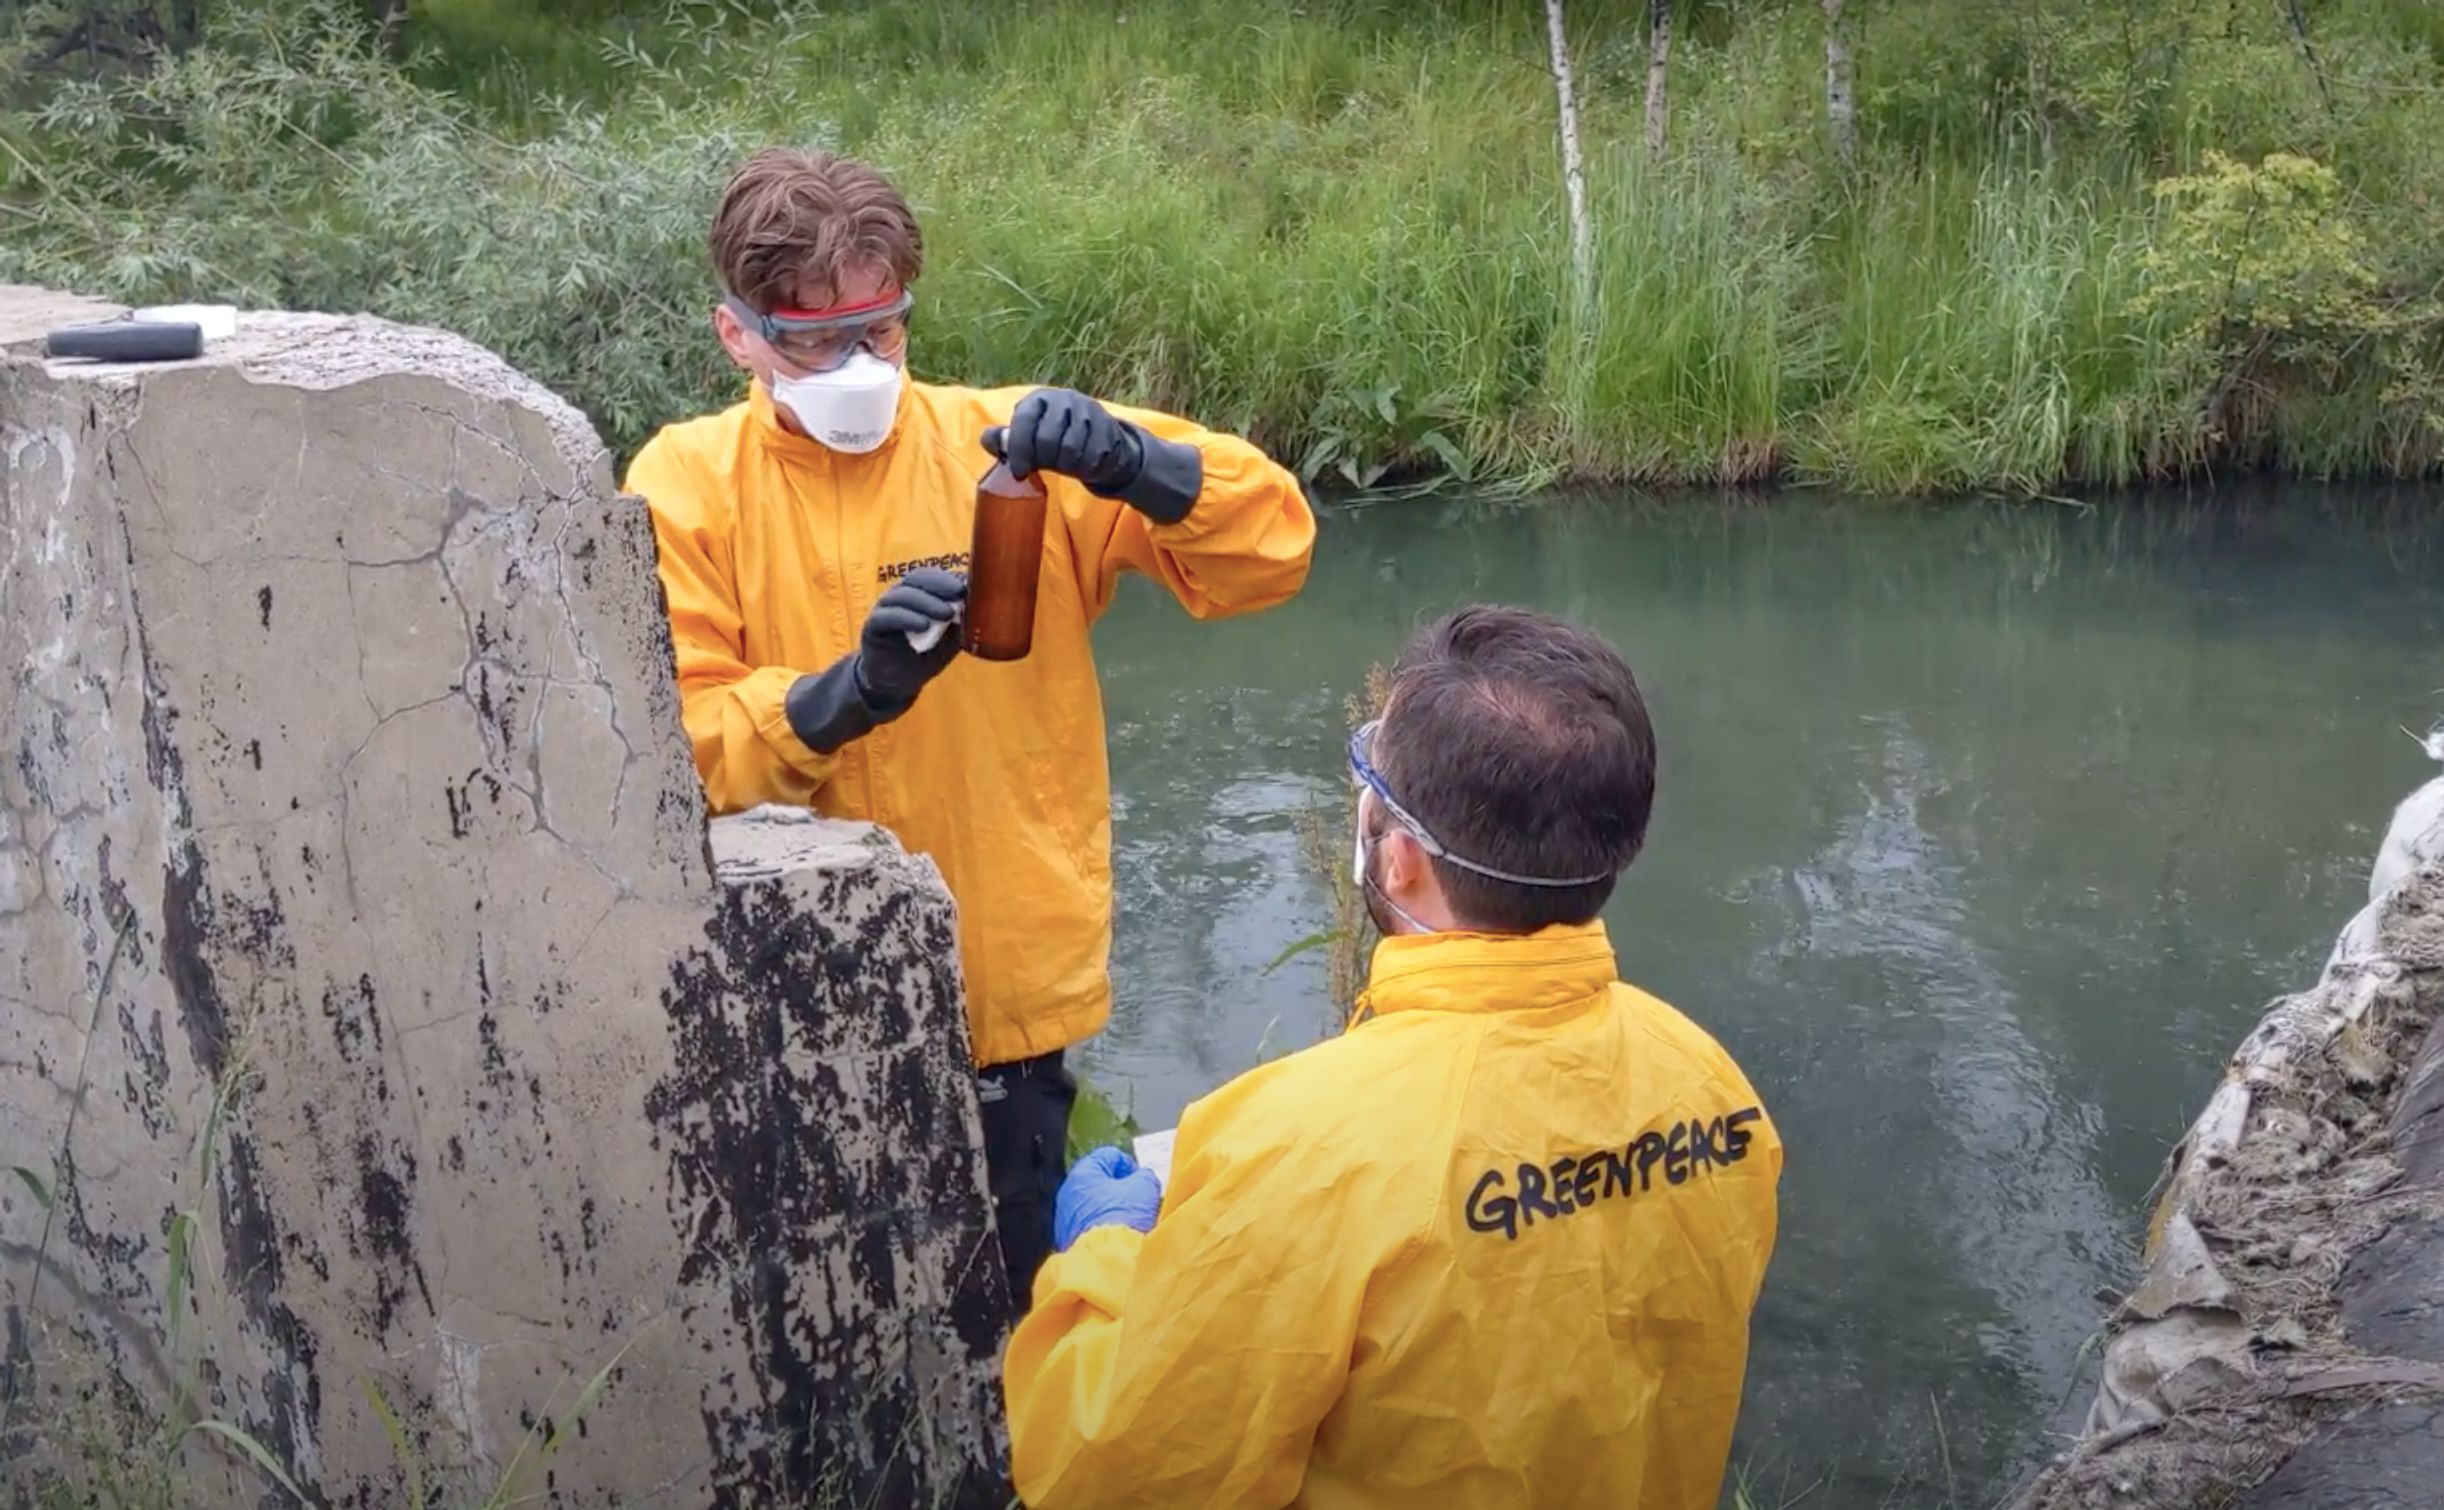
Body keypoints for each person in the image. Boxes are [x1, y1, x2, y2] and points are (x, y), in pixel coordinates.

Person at [623, 148, 1316, 1309]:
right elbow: (670, 750)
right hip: (787, 999)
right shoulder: (687, 483)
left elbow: (1273, 554)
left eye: (879, 330)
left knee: (1006, 1326)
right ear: (735, 334)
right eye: (810, 338)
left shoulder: (1005, 448)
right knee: (825, 1331)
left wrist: (1140, 465)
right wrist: (846, 693)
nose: (854, 364)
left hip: (1003, 1002)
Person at [1002, 606, 1784, 1510]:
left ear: (1403, 858)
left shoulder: (1301, 1151)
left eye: (1372, 775)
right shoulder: (1716, 1088)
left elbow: (1109, 1475)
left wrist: (1103, 1255)